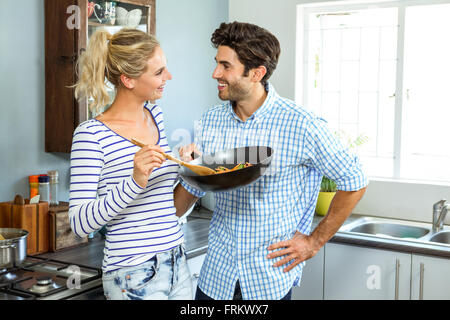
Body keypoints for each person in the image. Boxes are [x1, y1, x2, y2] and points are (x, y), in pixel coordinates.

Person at [179, 22, 368, 300]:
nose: (215, 73)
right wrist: (189, 169)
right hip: (215, 278)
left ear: (257, 73)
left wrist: (314, 242)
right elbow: (191, 194)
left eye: (226, 66)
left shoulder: (301, 124)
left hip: (267, 281)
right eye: (216, 63)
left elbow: (355, 180)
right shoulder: (210, 121)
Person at [70, 28, 200, 300]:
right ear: (128, 80)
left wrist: (183, 164)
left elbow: (160, 197)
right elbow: (79, 223)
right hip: (133, 272)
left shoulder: (155, 115)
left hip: (177, 259)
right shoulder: (91, 135)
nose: (169, 77)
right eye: (159, 72)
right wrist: (133, 182)